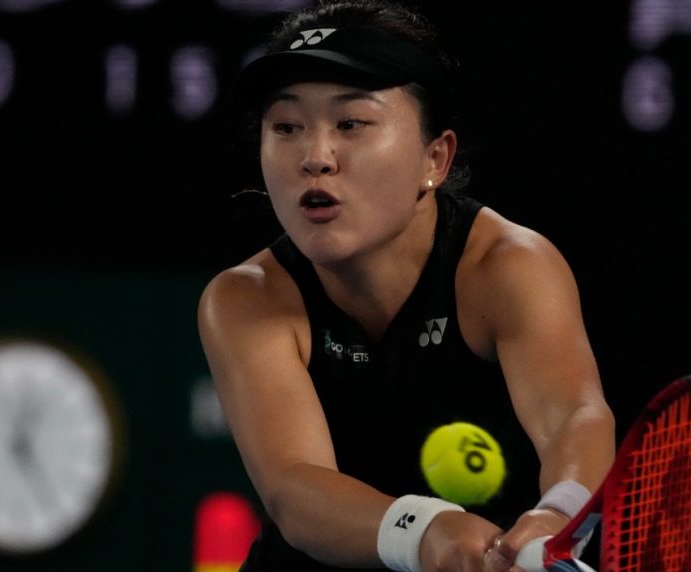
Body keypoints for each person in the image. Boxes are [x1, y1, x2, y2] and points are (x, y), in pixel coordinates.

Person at [197, 1, 615, 570]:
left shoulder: (506, 268)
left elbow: (573, 415)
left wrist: (556, 517)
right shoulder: (246, 299)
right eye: (286, 127)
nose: (315, 158)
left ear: (435, 159)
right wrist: (426, 531)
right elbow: (295, 487)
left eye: (351, 124)